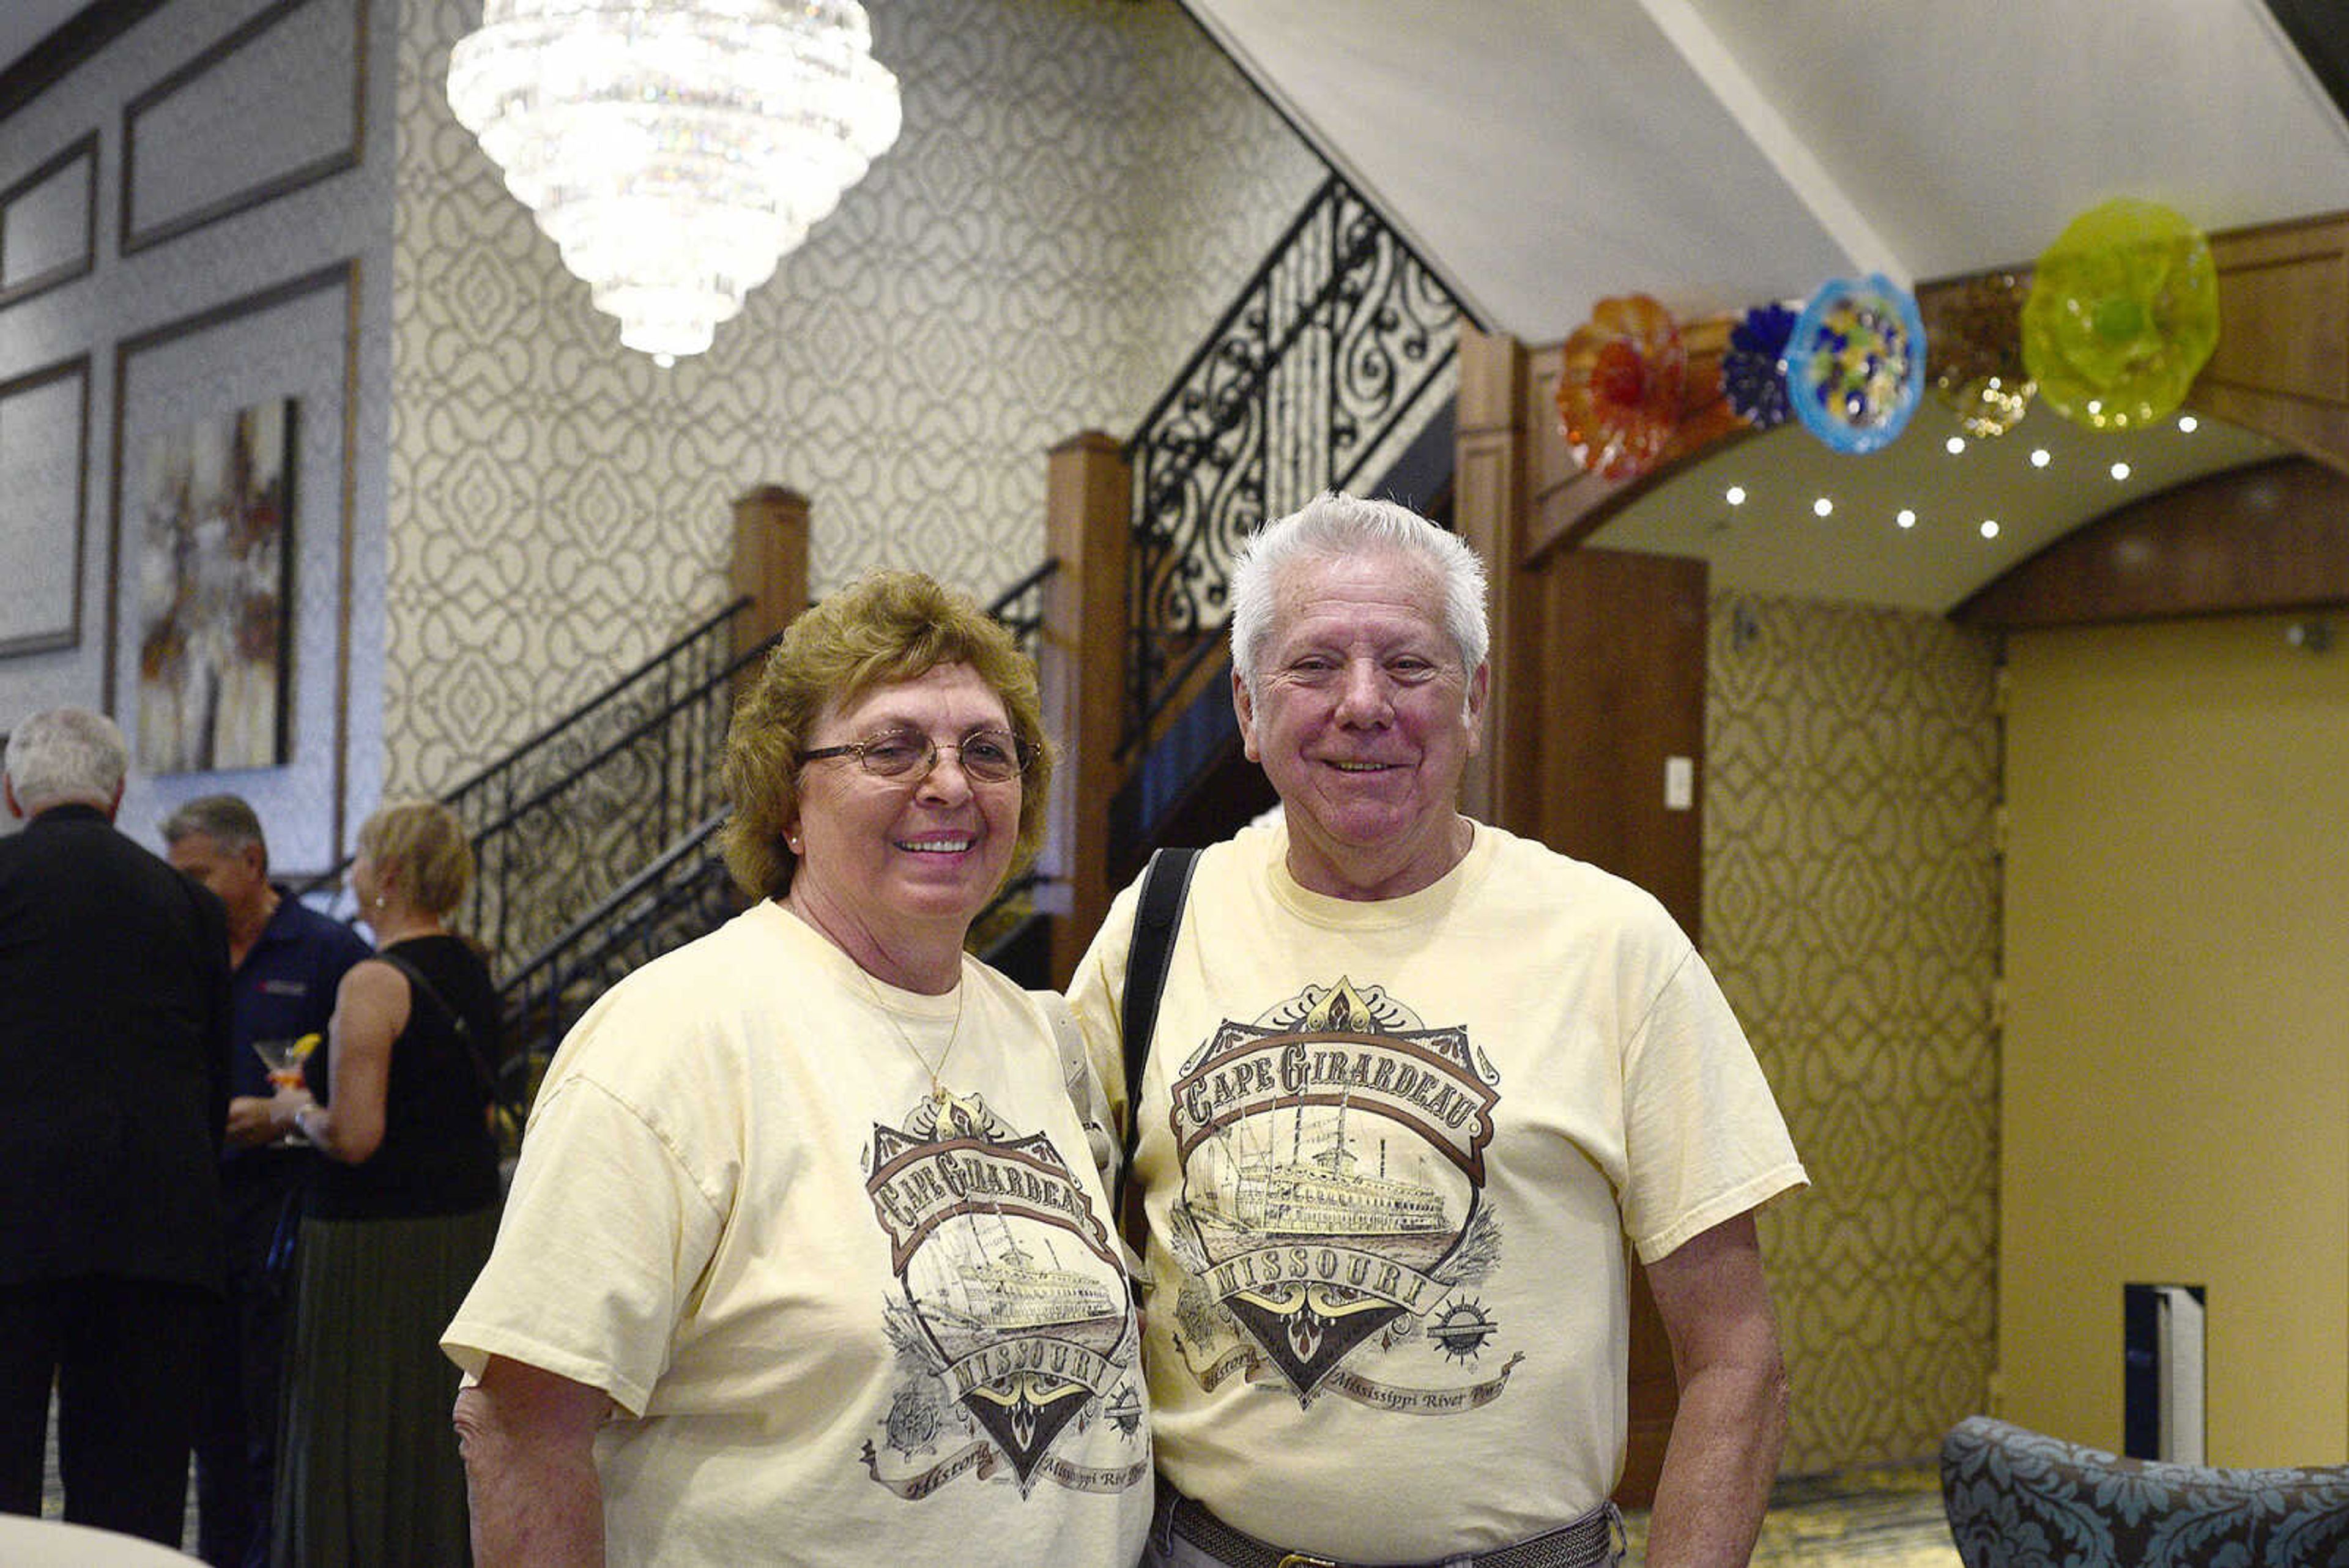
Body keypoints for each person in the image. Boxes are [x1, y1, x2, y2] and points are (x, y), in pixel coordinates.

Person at [1066, 492, 1810, 1568]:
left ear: (1474, 701)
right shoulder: (1158, 920)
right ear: (1244, 706)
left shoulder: (1614, 942)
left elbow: (1738, 1359)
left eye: (1410, 666)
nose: (1363, 704)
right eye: (1314, 665)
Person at [443, 570, 1148, 1566]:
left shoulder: (1036, 1033)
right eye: (892, 746)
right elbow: (519, 1423)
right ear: (787, 801)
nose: (950, 781)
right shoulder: (674, 1038)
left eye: (987, 750)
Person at [0, 707, 231, 1544]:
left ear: (11, 792)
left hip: (10, 1226)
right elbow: (210, 1078)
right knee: (133, 1507)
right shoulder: (187, 903)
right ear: (119, 791)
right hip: (156, 1230)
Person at [261, 797, 504, 1566]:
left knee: (355, 1423)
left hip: (373, 1250)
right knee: (433, 1432)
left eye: (363, 856)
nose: (355, 871)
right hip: (462, 1236)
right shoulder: (474, 965)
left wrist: (296, 1112)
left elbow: (356, 1136)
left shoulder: (373, 980)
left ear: (389, 874)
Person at [162, 793, 373, 1568]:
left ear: (251, 862)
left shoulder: (327, 953)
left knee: (274, 1430)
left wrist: (285, 1115)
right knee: (209, 1431)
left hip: (289, 1222)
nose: (184, 890)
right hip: (192, 1222)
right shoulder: (179, 945)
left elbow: (356, 1094)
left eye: (198, 873)